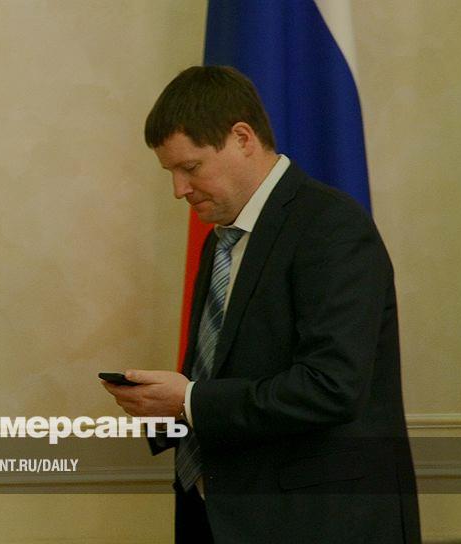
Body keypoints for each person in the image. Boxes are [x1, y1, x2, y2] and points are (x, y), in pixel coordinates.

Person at [102, 66, 420, 543]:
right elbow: (231, 371)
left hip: (317, 524)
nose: (179, 190)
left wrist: (190, 400)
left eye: (191, 168)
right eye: (171, 172)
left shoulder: (330, 226)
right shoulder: (222, 241)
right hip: (221, 513)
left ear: (242, 138)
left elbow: (331, 387)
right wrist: (168, 407)